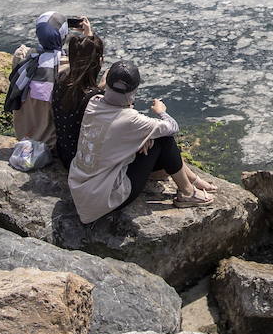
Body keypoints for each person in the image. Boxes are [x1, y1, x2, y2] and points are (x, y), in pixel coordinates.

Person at [68, 60, 216, 223]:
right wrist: (161, 112)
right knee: (164, 140)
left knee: (151, 137)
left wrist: (145, 136)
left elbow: (120, 121)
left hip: (81, 187)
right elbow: (172, 127)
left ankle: (194, 180)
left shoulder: (93, 101)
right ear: (134, 90)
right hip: (104, 198)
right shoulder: (130, 120)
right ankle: (188, 192)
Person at [51, 17, 104, 169]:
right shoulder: (96, 98)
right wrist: (102, 88)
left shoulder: (60, 81)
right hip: (82, 163)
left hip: (64, 155)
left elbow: (81, 58)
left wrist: (89, 36)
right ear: (99, 61)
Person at [11, 11, 68, 146]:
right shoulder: (66, 66)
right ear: (63, 35)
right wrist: (89, 35)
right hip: (51, 143)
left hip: (23, 138)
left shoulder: (23, 57)